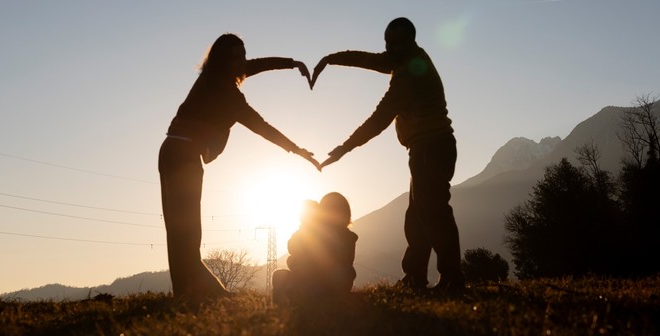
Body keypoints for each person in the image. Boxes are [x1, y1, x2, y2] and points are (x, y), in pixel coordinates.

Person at [159, 33, 318, 301]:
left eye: (243, 55)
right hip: (184, 156)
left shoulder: (207, 80)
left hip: (170, 150)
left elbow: (256, 65)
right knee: (186, 232)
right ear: (223, 60)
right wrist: (297, 149)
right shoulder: (229, 96)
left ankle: (186, 294)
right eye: (237, 57)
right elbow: (262, 127)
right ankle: (207, 294)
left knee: (178, 231)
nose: (243, 61)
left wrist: (292, 63)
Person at [311, 17, 465, 291]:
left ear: (410, 41)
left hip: (432, 147)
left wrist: (344, 148)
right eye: (388, 44)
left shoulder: (410, 71)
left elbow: (380, 118)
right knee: (418, 216)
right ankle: (415, 276)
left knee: (434, 212)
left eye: (396, 44)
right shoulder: (406, 58)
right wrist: (331, 59)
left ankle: (452, 276)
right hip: (425, 148)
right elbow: (373, 60)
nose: (390, 49)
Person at [273, 193, 358, 305]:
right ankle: (297, 292)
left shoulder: (347, 238)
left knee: (340, 272)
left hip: (333, 280)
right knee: (279, 275)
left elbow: (342, 263)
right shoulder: (313, 232)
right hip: (309, 277)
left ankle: (300, 293)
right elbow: (294, 248)